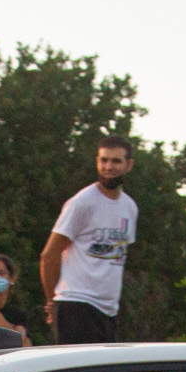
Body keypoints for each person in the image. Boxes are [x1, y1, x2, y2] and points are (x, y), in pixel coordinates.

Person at [40, 136, 137, 345]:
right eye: (104, 160)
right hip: (76, 304)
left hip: (108, 311)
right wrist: (51, 302)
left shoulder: (129, 207)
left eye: (116, 161)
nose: (108, 167)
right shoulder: (82, 202)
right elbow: (49, 254)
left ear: (128, 165)